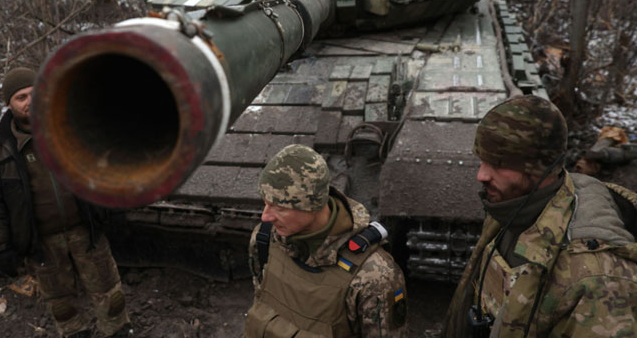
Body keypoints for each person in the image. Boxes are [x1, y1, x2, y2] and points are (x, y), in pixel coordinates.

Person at [443, 95, 637, 337]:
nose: (481, 175)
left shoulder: (598, 278)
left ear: (537, 167)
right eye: (482, 160)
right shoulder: (511, 204)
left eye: (499, 163)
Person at [0, 67, 132, 338]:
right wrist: (1, 247)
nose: (30, 101)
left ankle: (117, 331)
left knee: (109, 293)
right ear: (9, 104)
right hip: (41, 243)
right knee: (61, 303)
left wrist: (116, 210)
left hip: (87, 231)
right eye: (21, 97)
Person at [245, 144, 408, 337]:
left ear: (313, 205)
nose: (265, 217)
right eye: (265, 203)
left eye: (279, 207)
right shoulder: (265, 238)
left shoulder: (374, 276)